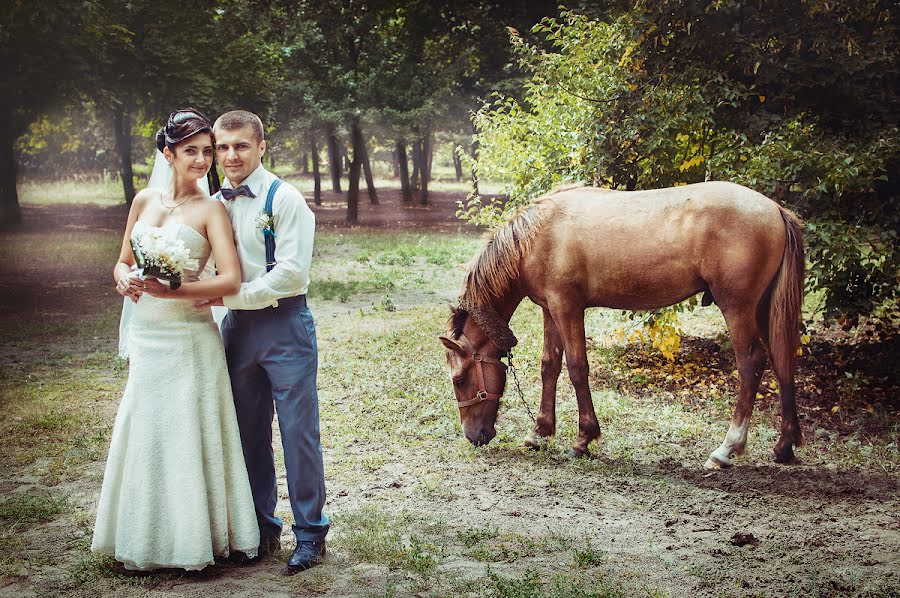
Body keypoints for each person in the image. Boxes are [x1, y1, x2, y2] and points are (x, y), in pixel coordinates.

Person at [92, 109, 260, 570]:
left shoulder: (212, 210)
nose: (204, 159)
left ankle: (195, 538)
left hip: (188, 337)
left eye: (209, 151)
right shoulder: (144, 200)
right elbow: (122, 260)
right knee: (148, 431)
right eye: (192, 151)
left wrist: (177, 289)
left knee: (188, 433)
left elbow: (230, 279)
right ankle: (143, 534)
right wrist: (124, 280)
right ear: (168, 153)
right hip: (148, 335)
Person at [198, 110, 328, 573]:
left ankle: (311, 533)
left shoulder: (286, 198)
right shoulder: (213, 203)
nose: (231, 156)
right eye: (223, 147)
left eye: (241, 146)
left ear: (260, 147)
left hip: (284, 325)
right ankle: (260, 528)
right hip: (236, 330)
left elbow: (293, 271)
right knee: (246, 432)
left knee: (298, 434)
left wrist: (235, 296)